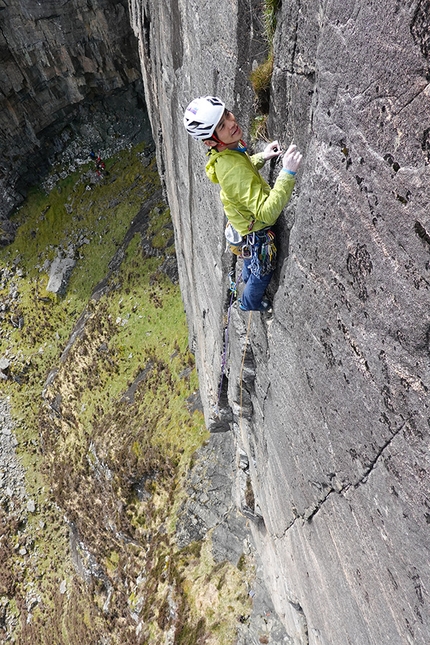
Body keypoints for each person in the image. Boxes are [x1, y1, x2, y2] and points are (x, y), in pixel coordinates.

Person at [183, 95, 302, 311]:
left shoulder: (223, 153)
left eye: (227, 114)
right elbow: (266, 214)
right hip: (256, 230)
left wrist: (261, 157)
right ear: (210, 141)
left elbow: (242, 169)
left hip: (242, 227)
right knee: (262, 273)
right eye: (221, 125)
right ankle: (249, 303)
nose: (231, 122)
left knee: (251, 263)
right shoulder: (231, 168)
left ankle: (246, 273)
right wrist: (287, 173)